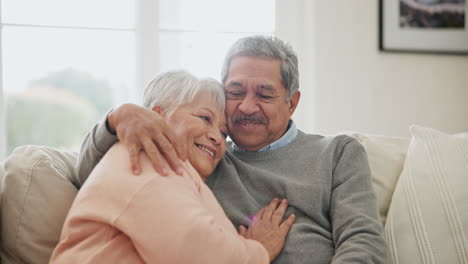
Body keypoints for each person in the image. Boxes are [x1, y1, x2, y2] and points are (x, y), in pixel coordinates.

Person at [76, 36, 389, 263]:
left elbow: (363, 242)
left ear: (292, 103)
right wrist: (117, 118)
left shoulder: (338, 153)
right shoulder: (202, 157)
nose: (247, 106)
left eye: (265, 95)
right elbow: (92, 177)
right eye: (235, 92)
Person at [50, 71, 295, 263]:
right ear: (156, 117)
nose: (217, 138)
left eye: (223, 133)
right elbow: (198, 251)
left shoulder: (181, 173)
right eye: (204, 118)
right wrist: (259, 250)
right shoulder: (145, 160)